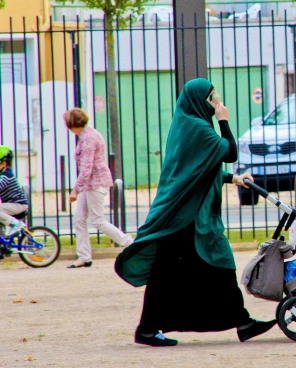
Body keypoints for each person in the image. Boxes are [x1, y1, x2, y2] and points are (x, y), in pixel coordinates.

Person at [115, 78, 276, 347]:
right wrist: (224, 121)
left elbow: (195, 168)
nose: (217, 103)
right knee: (178, 271)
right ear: (199, 100)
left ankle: (242, 321)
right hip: (183, 217)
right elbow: (230, 153)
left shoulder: (185, 124)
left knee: (204, 268)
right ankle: (146, 329)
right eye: (212, 98)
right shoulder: (197, 127)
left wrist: (230, 179)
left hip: (187, 214)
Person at [64, 108, 134, 268]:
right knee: (80, 219)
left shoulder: (88, 138)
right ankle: (84, 256)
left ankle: (129, 242)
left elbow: (87, 167)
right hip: (89, 184)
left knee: (97, 220)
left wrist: (75, 189)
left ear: (73, 125)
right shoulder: (87, 135)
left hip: (95, 183)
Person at [0, 145, 28, 237]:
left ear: (3, 164)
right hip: (13, 204)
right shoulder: (4, 174)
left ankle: (15, 224)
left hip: (18, 205)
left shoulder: (6, 176)